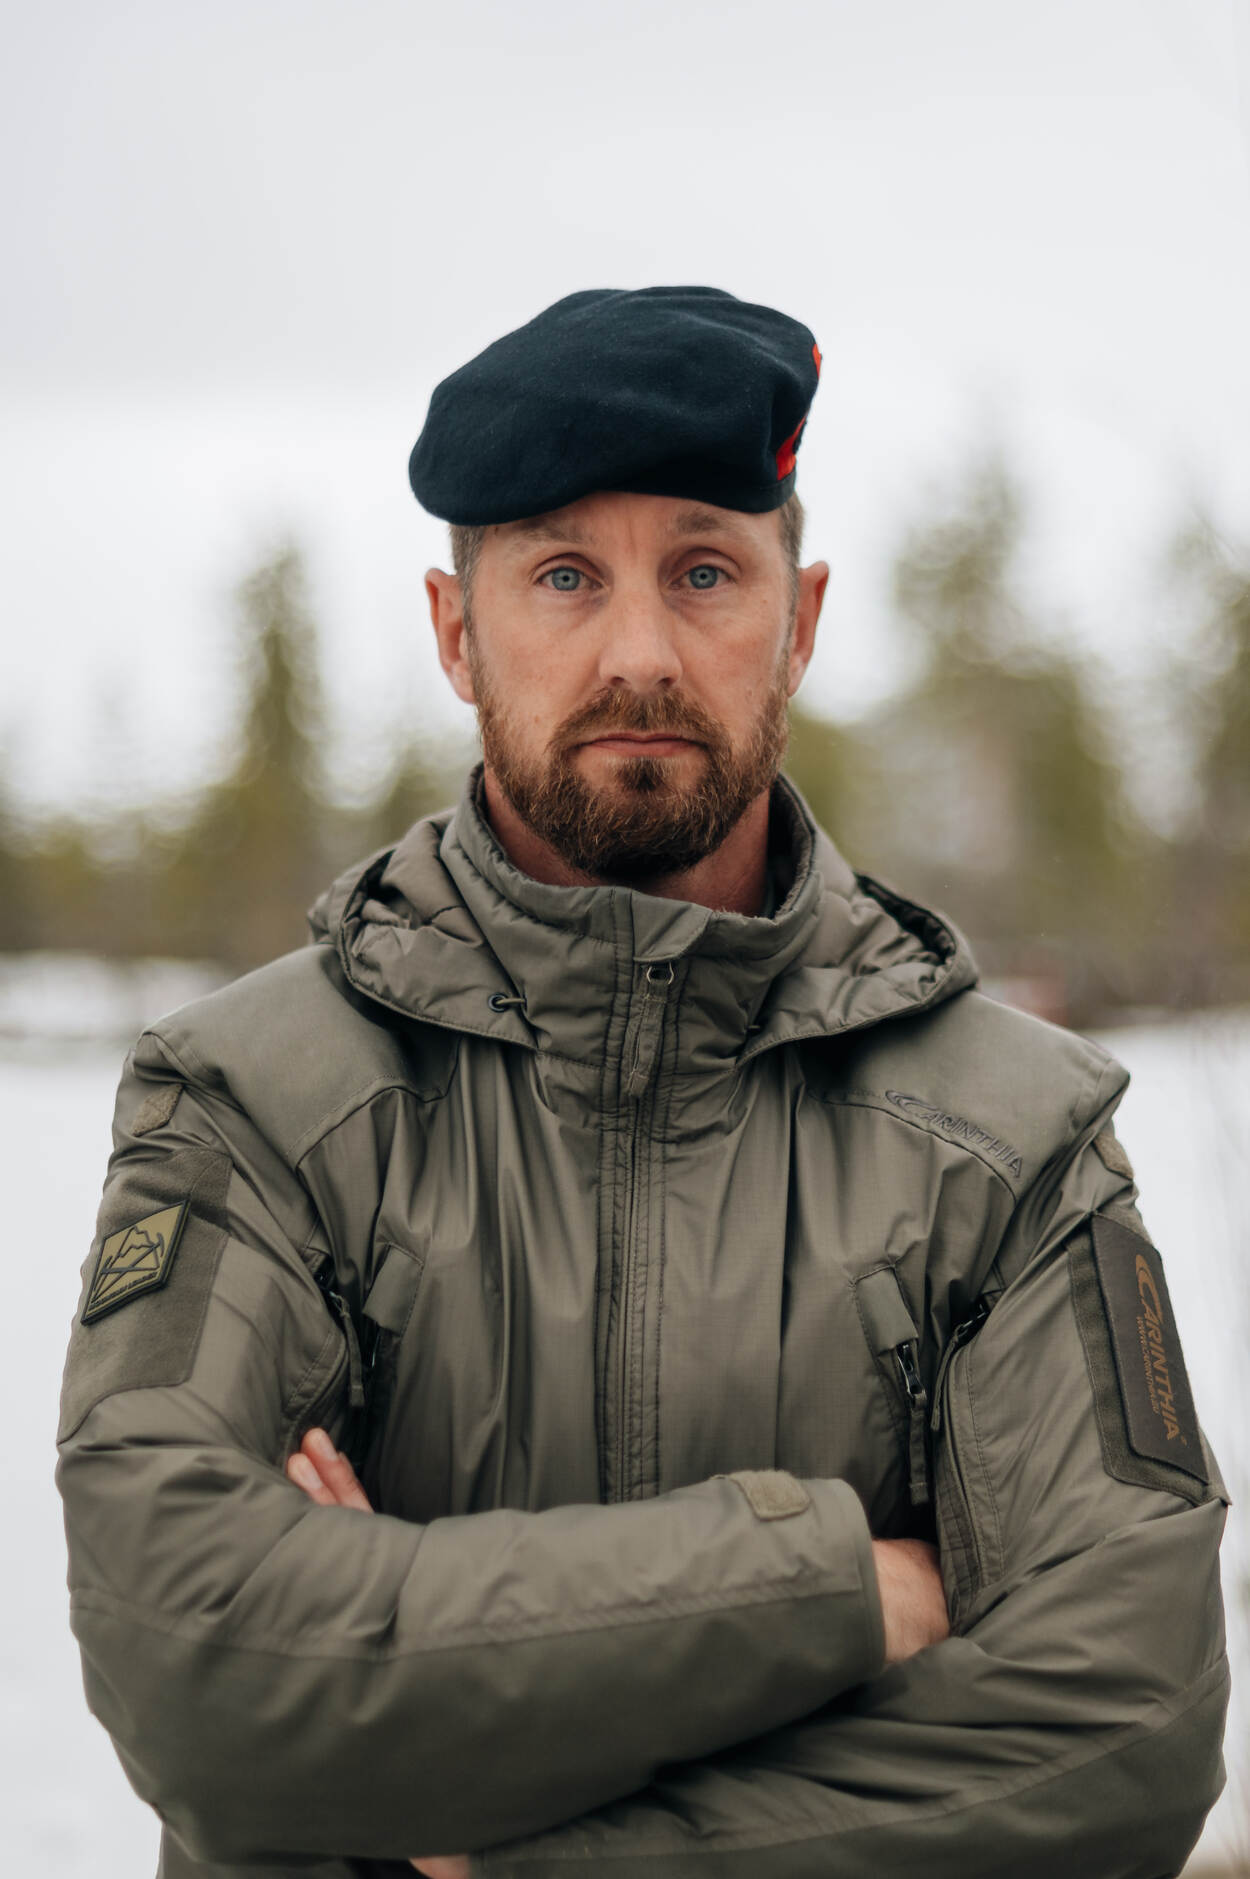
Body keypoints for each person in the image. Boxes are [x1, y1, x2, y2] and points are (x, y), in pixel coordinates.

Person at [57, 286, 1228, 1879]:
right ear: (454, 631)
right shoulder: (256, 1102)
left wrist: (501, 1843)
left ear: (798, 621)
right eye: (561, 576)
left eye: (702, 572)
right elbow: (199, 1668)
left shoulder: (1007, 1138)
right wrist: (842, 1587)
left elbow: (1119, 1733)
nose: (638, 655)